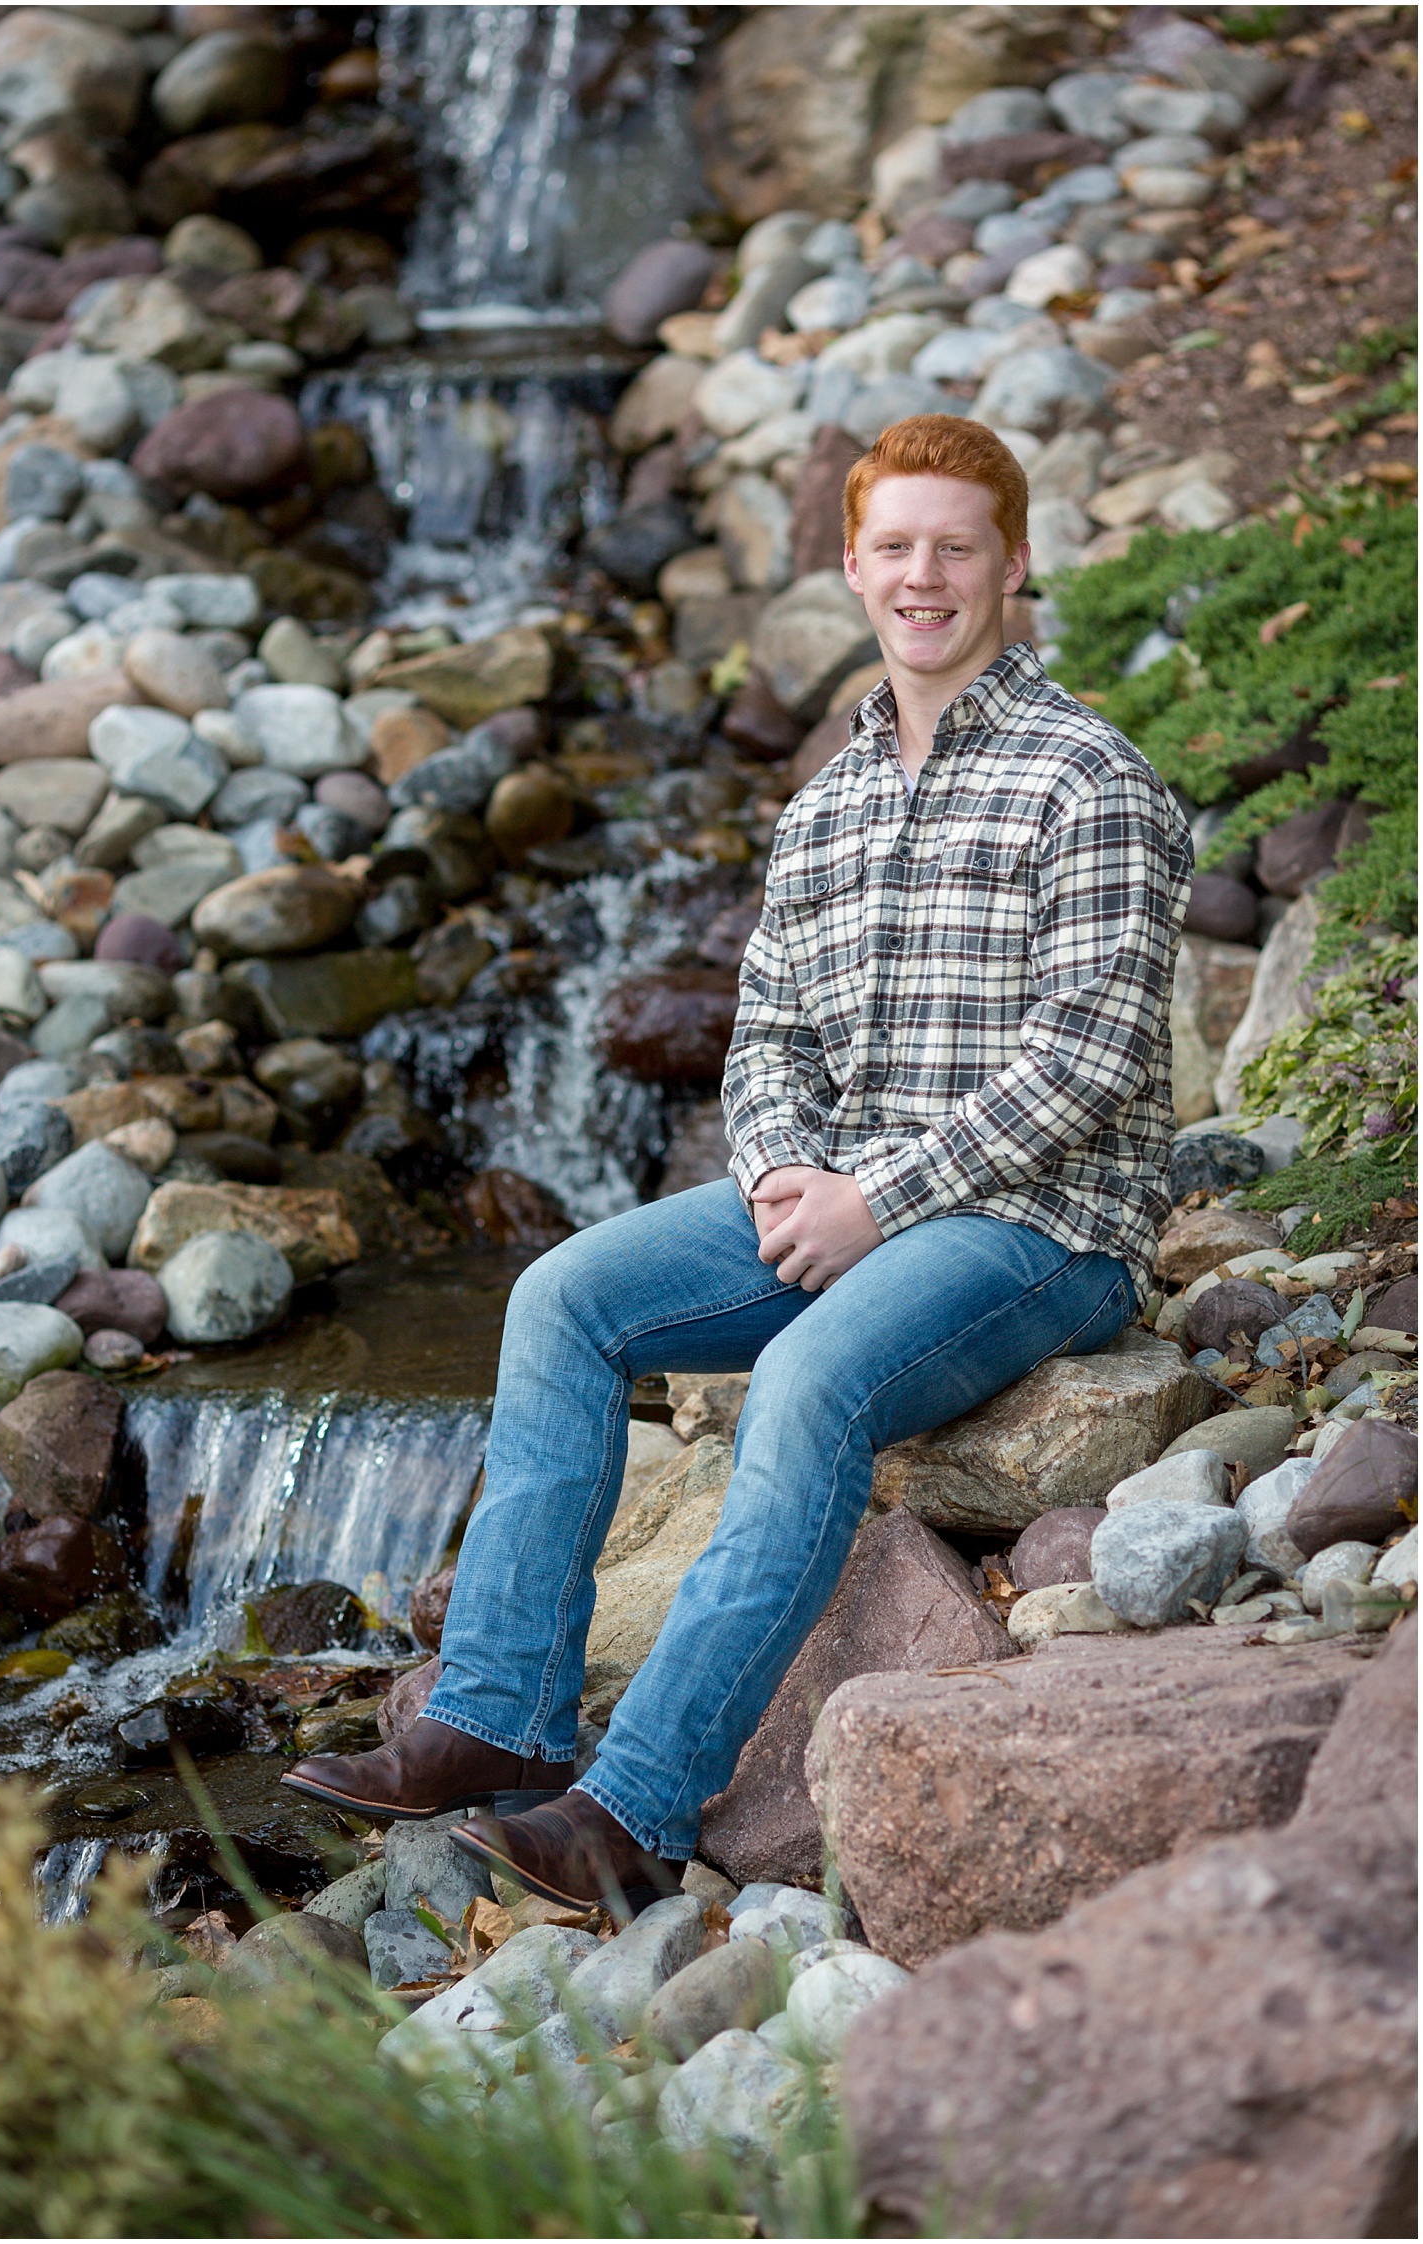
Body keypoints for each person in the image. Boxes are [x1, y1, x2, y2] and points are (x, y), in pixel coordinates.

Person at [284, 414, 1192, 1915]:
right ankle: (494, 1719)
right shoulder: (824, 807)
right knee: (563, 1297)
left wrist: (874, 1202)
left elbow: (1089, 1066)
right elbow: (766, 1032)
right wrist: (781, 1176)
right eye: (895, 546)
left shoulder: (1087, 778)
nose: (925, 575)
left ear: (1014, 565)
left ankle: (628, 1814)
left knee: (808, 1385)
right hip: (832, 1203)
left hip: (1037, 1226)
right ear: (851, 566)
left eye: (956, 546)